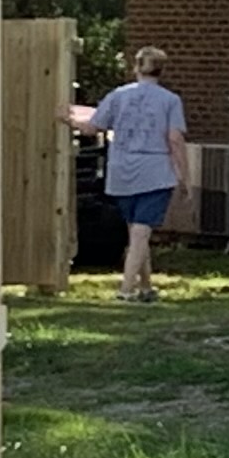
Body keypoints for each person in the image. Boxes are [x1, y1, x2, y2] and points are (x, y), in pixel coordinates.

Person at [67, 46, 189, 301]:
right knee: (140, 233)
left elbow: (93, 127)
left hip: (121, 171)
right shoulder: (170, 100)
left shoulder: (117, 96)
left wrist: (66, 120)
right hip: (154, 172)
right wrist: (183, 174)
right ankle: (126, 290)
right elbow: (175, 139)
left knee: (136, 230)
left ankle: (146, 288)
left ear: (136, 68)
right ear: (161, 71)